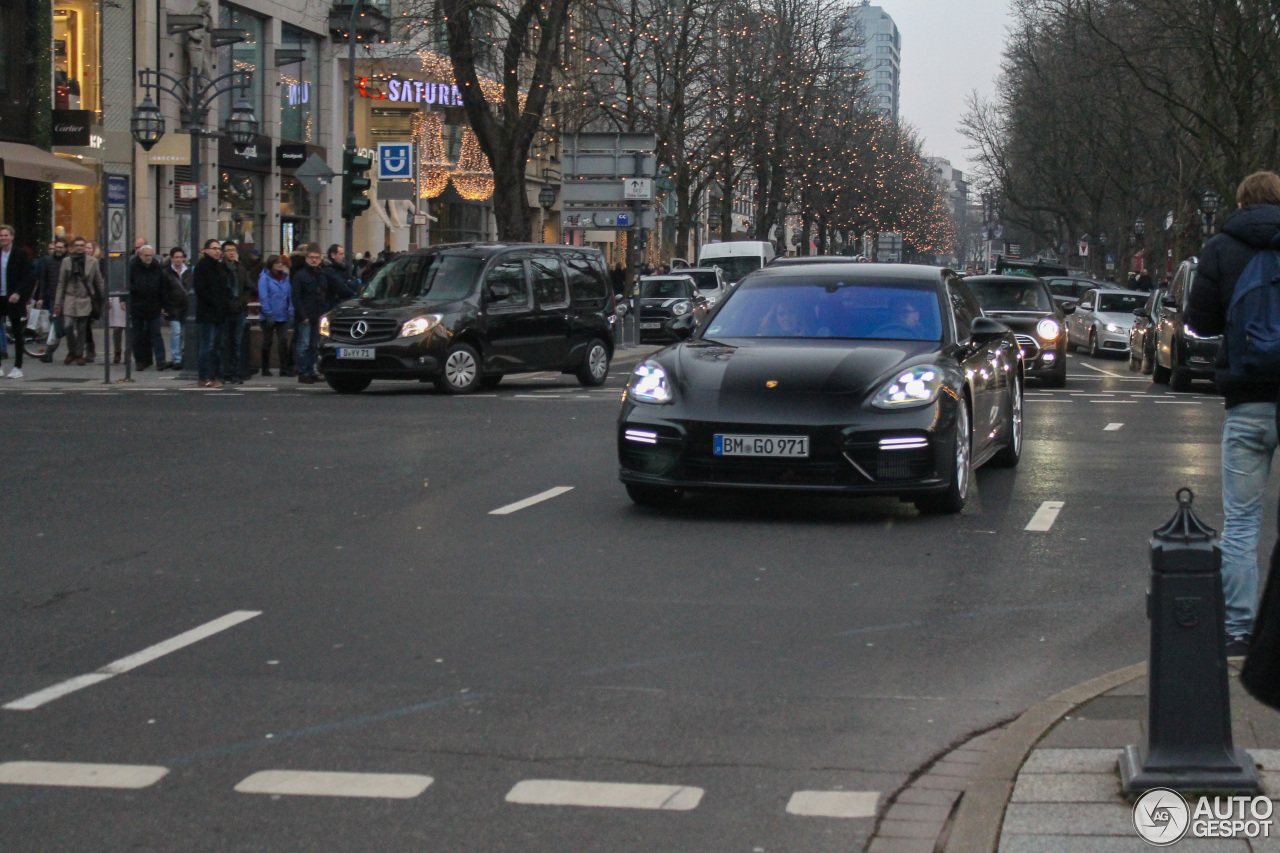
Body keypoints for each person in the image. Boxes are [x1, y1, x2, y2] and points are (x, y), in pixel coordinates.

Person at [1186, 170, 1280, 658]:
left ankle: (1239, 630)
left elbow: (1198, 320)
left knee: (1241, 522)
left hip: (1246, 398)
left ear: (1241, 202)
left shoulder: (1222, 246)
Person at [53, 236, 104, 365]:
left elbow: (98, 281)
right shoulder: (66, 261)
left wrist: (103, 298)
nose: (80, 247)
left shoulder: (92, 262)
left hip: (85, 298)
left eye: (82, 245)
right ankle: (72, 350)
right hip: (70, 297)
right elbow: (61, 282)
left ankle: (79, 354)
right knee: (68, 326)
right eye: (77, 245)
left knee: (82, 328)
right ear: (73, 247)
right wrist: (57, 302)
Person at [193, 239, 228, 388]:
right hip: (208, 312)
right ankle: (204, 376)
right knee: (207, 345)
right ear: (206, 250)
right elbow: (201, 290)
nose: (217, 251)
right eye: (214, 248)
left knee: (216, 346)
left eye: (219, 248)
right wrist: (215, 302)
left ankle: (215, 374)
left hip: (219, 312)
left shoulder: (218, 266)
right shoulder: (202, 266)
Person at [0, 224, 33, 378]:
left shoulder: (19, 254)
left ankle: (17, 367)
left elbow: (27, 276)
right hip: (0, 296)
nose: (3, 238)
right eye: (1, 235)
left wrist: (19, 293)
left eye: (6, 235)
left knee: (17, 331)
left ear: (12, 237)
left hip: (14, 297)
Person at [128, 245, 168, 370]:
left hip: (154, 305)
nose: (149, 258)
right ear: (140, 256)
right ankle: (140, 361)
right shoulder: (133, 267)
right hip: (137, 305)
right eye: (146, 255)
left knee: (156, 333)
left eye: (151, 255)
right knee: (138, 335)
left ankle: (160, 360)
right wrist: (125, 300)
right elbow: (127, 284)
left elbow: (162, 287)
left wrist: (163, 304)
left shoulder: (157, 268)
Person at [291, 245, 326, 384]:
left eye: (316, 258)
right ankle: (303, 371)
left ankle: (311, 371)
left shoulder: (321, 274)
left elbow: (324, 294)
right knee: (303, 345)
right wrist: (302, 315)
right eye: (311, 258)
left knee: (314, 346)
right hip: (305, 315)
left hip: (318, 315)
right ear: (306, 259)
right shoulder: (300, 275)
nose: (314, 260)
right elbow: (296, 297)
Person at [221, 241, 253, 384]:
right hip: (225, 311)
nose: (231, 253)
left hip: (239, 310)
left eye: (233, 250)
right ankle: (224, 372)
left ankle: (235, 372)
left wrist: (242, 301)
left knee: (236, 343)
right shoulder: (220, 269)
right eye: (228, 250)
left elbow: (247, 287)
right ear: (223, 253)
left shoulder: (240, 269)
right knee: (223, 343)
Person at [257, 254, 293, 377]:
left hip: (282, 314)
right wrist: (268, 313)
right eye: (277, 263)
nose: (280, 265)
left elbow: (289, 295)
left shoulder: (285, 278)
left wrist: (290, 310)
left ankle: (284, 368)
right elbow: (263, 297)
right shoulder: (264, 278)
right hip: (269, 314)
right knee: (267, 341)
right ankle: (265, 368)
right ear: (271, 265)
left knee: (283, 341)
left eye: (281, 263)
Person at [161, 247, 190, 370]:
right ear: (171, 258)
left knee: (184, 333)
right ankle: (176, 358)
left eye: (180, 257)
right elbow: (162, 290)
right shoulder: (166, 272)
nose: (178, 259)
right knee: (176, 332)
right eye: (176, 257)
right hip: (172, 306)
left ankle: (182, 356)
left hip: (186, 307)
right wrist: (163, 306)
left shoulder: (188, 272)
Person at [322, 243, 358, 310]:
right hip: (334, 305)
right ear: (333, 255)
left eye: (343, 254)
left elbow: (354, 281)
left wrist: (348, 283)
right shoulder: (329, 270)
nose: (343, 256)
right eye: (341, 254)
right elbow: (341, 287)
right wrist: (350, 287)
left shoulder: (342, 269)